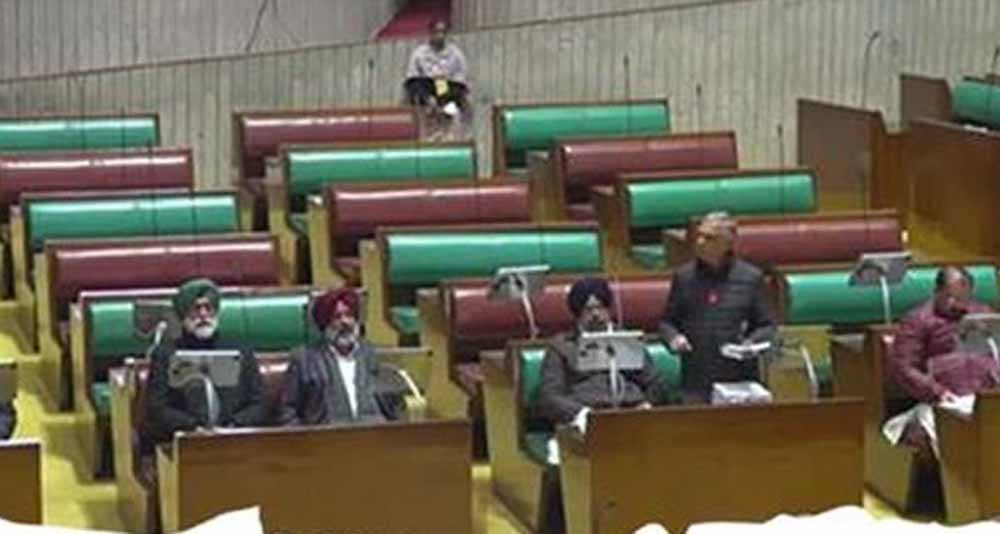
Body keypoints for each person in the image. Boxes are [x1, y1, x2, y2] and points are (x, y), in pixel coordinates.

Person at [658, 211, 776, 403]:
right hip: (696, 381)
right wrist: (674, 338)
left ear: (728, 242)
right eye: (699, 236)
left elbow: (766, 326)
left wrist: (749, 344)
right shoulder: (684, 277)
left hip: (739, 380)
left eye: (709, 238)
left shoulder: (751, 278)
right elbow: (667, 323)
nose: (700, 242)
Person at [889, 266, 997, 458]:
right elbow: (904, 367)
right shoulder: (918, 320)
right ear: (937, 292)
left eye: (962, 298)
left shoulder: (982, 313)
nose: (956, 304)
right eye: (950, 297)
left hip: (986, 398)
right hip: (943, 399)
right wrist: (937, 392)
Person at [146, 278, 265, 445]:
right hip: (185, 441)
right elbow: (158, 408)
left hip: (234, 439)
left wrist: (234, 426)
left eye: (209, 308)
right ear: (183, 315)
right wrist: (193, 427)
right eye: (196, 309)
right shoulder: (165, 354)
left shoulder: (241, 351)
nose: (203, 315)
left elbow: (258, 404)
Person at [540, 276, 665, 428]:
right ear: (577, 313)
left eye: (600, 307)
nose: (596, 314)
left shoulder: (627, 340)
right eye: (588, 309)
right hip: (586, 417)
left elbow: (655, 382)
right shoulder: (561, 346)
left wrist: (647, 405)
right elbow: (550, 396)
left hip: (632, 412)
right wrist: (582, 414)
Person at [280, 288, 388, 426]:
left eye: (349, 315)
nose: (345, 322)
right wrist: (305, 438)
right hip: (327, 435)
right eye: (337, 317)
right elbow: (288, 410)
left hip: (373, 432)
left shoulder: (370, 354)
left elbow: (391, 402)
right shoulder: (305, 359)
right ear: (325, 323)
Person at [403, 19, 469, 139]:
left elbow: (461, 79)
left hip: (447, 91)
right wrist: (428, 97)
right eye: (437, 32)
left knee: (454, 88)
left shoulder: (455, 54)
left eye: (443, 32)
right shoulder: (419, 53)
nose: (440, 36)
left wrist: (443, 88)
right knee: (415, 85)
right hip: (426, 90)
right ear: (430, 33)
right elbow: (411, 78)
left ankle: (445, 112)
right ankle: (430, 106)